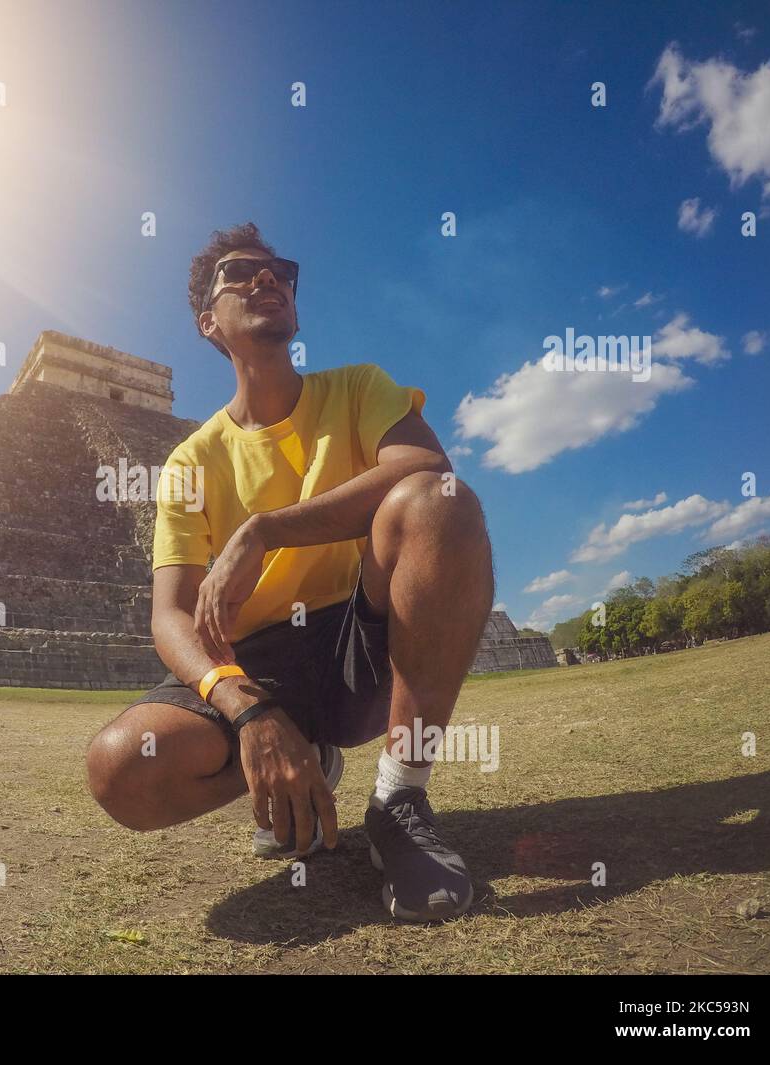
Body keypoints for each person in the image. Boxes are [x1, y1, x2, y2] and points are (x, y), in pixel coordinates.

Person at [86, 222, 494, 922]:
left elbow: (429, 471)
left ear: (296, 308)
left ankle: (399, 797)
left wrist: (265, 529)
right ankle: (308, 753)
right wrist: (247, 709)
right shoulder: (191, 459)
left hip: (360, 640)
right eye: (241, 271)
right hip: (258, 663)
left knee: (439, 503)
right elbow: (170, 615)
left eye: (280, 272)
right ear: (208, 322)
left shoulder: (360, 387)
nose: (267, 279)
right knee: (121, 766)